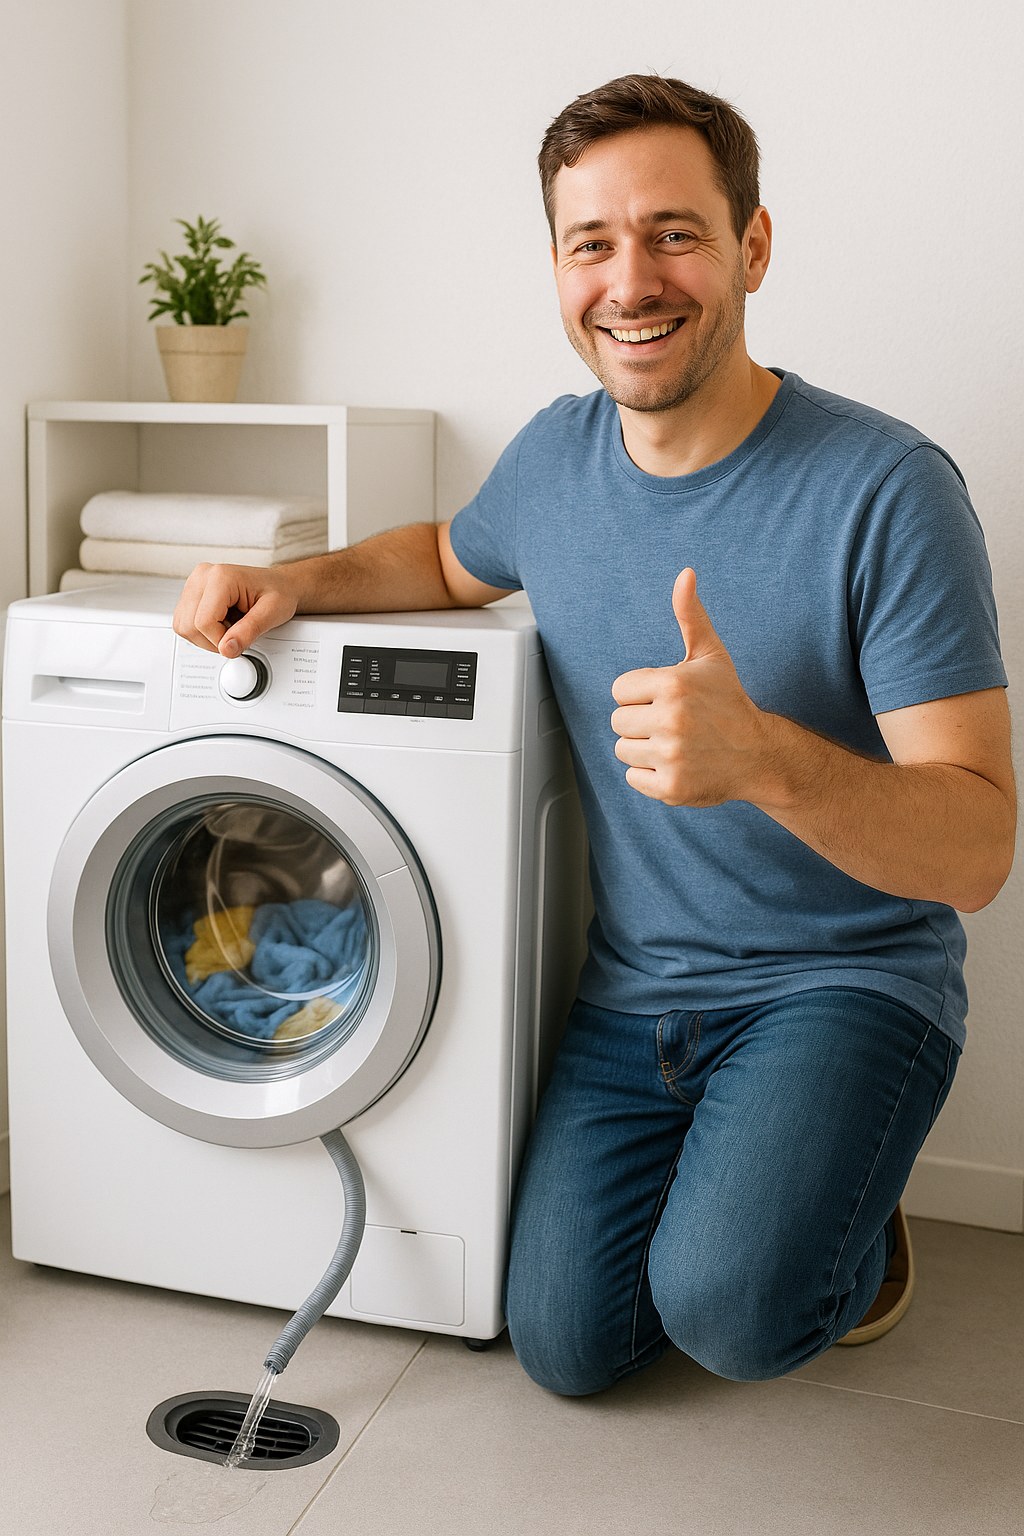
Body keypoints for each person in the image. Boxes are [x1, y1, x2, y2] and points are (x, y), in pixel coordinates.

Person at [174, 74, 1015, 1396]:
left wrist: (767, 760)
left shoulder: (886, 489)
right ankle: (761, 1184)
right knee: (567, 1349)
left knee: (732, 1313)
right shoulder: (557, 459)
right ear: (560, 269)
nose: (634, 278)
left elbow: (977, 845)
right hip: (638, 993)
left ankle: (846, 1217)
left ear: (752, 245)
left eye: (675, 232)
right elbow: (452, 562)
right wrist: (301, 580)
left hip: (841, 984)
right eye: (592, 243)